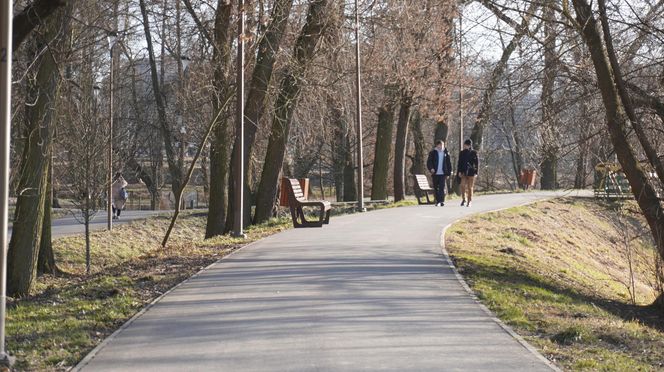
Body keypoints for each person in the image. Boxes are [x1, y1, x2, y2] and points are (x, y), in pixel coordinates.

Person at [426, 140, 452, 206]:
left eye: (442, 145)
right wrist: (431, 168)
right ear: (437, 146)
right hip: (435, 173)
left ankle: (442, 201)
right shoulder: (433, 153)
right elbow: (429, 162)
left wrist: (448, 173)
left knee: (442, 187)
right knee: (436, 188)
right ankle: (437, 201)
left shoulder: (446, 153)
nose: (441, 147)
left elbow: (449, 164)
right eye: (439, 145)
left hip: (443, 173)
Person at [457, 139, 479, 207]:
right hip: (463, 171)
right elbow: (459, 163)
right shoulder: (462, 153)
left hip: (471, 172)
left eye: (466, 145)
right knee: (462, 185)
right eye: (464, 145)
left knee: (470, 187)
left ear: (469, 145)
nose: (465, 146)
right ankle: (464, 199)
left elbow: (477, 163)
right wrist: (459, 171)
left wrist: (476, 172)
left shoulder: (474, 152)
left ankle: (470, 201)